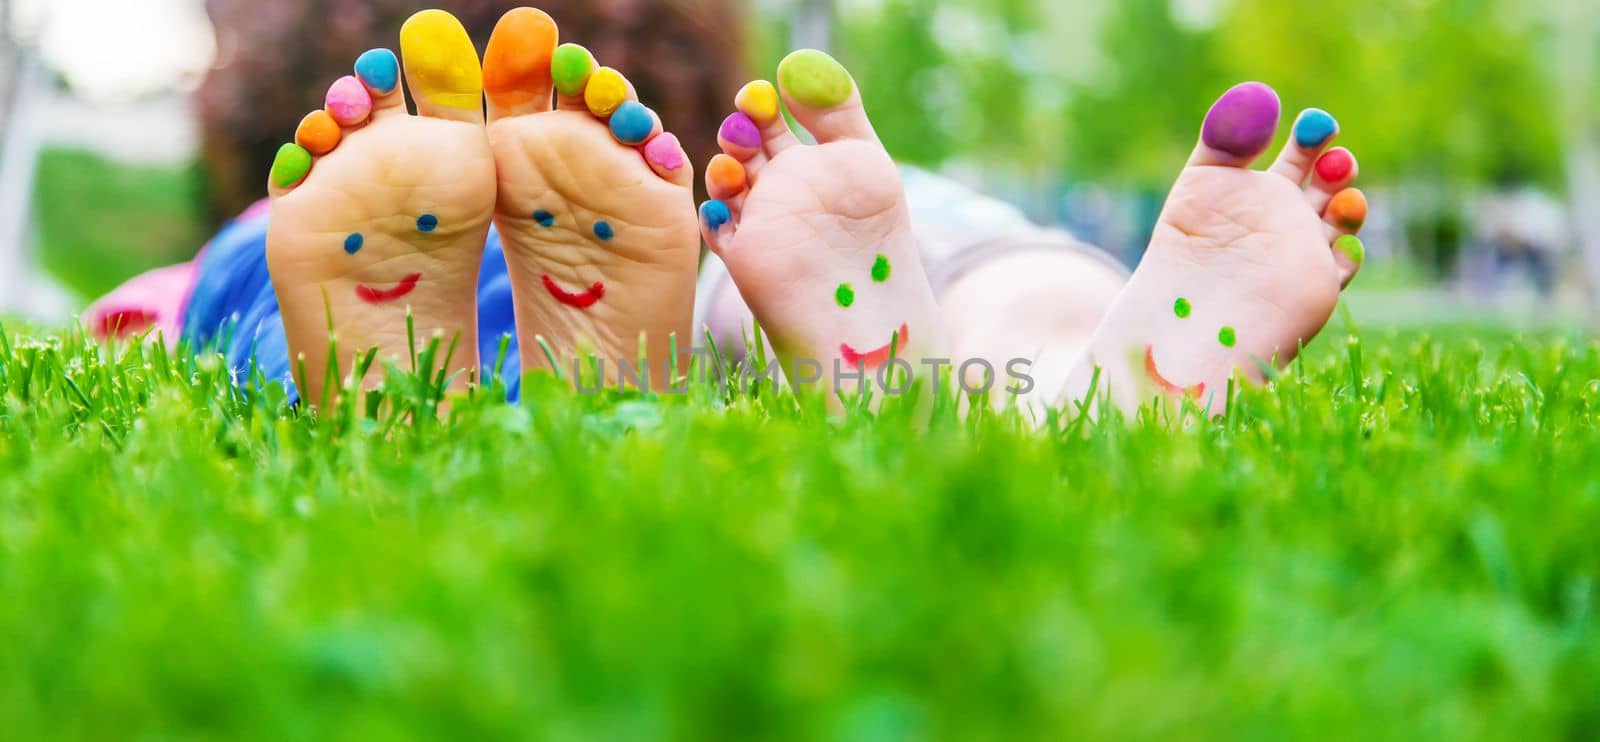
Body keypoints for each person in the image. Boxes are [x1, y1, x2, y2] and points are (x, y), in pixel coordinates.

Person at [87, 7, 1371, 416]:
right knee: (977, 253)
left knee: (239, 288)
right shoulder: (744, 192)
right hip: (723, 259)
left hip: (346, 251)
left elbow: (125, 326)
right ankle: (1073, 380)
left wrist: (144, 317)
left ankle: (411, 371)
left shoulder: (310, 189)